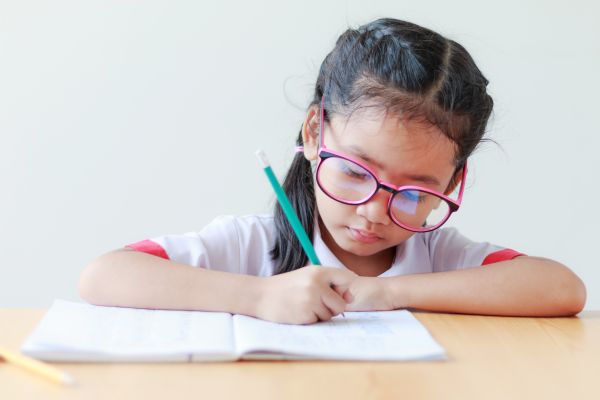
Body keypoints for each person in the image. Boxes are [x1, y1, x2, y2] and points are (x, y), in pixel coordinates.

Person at [78, 18, 586, 324]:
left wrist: (385, 293)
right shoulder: (253, 246)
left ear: (454, 183)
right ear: (316, 133)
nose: (372, 212)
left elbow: (562, 288)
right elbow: (103, 276)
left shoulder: (436, 257)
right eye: (355, 172)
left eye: (412, 194)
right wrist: (259, 296)